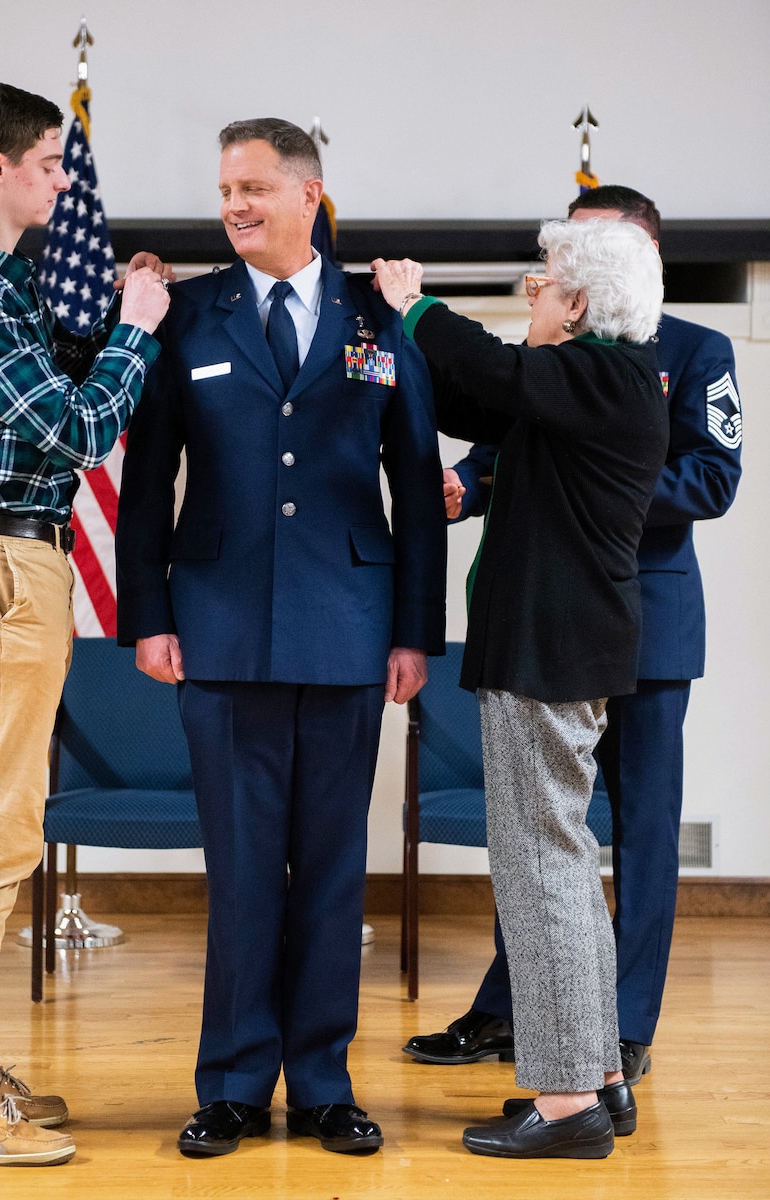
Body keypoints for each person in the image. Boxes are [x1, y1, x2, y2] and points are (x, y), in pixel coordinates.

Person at [115, 118, 447, 1158]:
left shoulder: (374, 314)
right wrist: (150, 614)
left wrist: (415, 634)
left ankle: (323, 1085)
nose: (234, 205)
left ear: (311, 195)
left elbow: (416, 483)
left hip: (349, 630)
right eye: (225, 188)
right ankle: (229, 1084)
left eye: (254, 186)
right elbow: (144, 483)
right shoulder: (190, 313)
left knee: (334, 868)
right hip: (215, 630)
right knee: (244, 868)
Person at [405, 186, 743, 1090]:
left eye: (568, 265)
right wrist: (471, 490)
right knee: (546, 838)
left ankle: (621, 1032)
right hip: (556, 606)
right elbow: (512, 429)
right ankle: (513, 1008)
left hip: (640, 618)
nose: (548, 281)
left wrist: (600, 501)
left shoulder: (689, 353)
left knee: (627, 833)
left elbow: (711, 477)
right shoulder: (560, 356)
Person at [0, 81, 172, 1167]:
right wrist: (140, 337)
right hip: (2, 563)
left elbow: (52, 380)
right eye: (53, 166)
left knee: (2, 830)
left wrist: (113, 313)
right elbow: (73, 429)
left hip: (21, 561)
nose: (65, 183)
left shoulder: (8, 280)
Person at [373, 216, 669, 1159]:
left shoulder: (603, 373)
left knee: (539, 868)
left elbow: (494, 371)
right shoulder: (589, 385)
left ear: (578, 305)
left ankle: (568, 1100)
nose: (530, 294)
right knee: (564, 866)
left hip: (550, 649)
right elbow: (481, 400)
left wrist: (413, 302)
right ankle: (597, 1079)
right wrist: (413, 341)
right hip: (559, 648)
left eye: (542, 283)